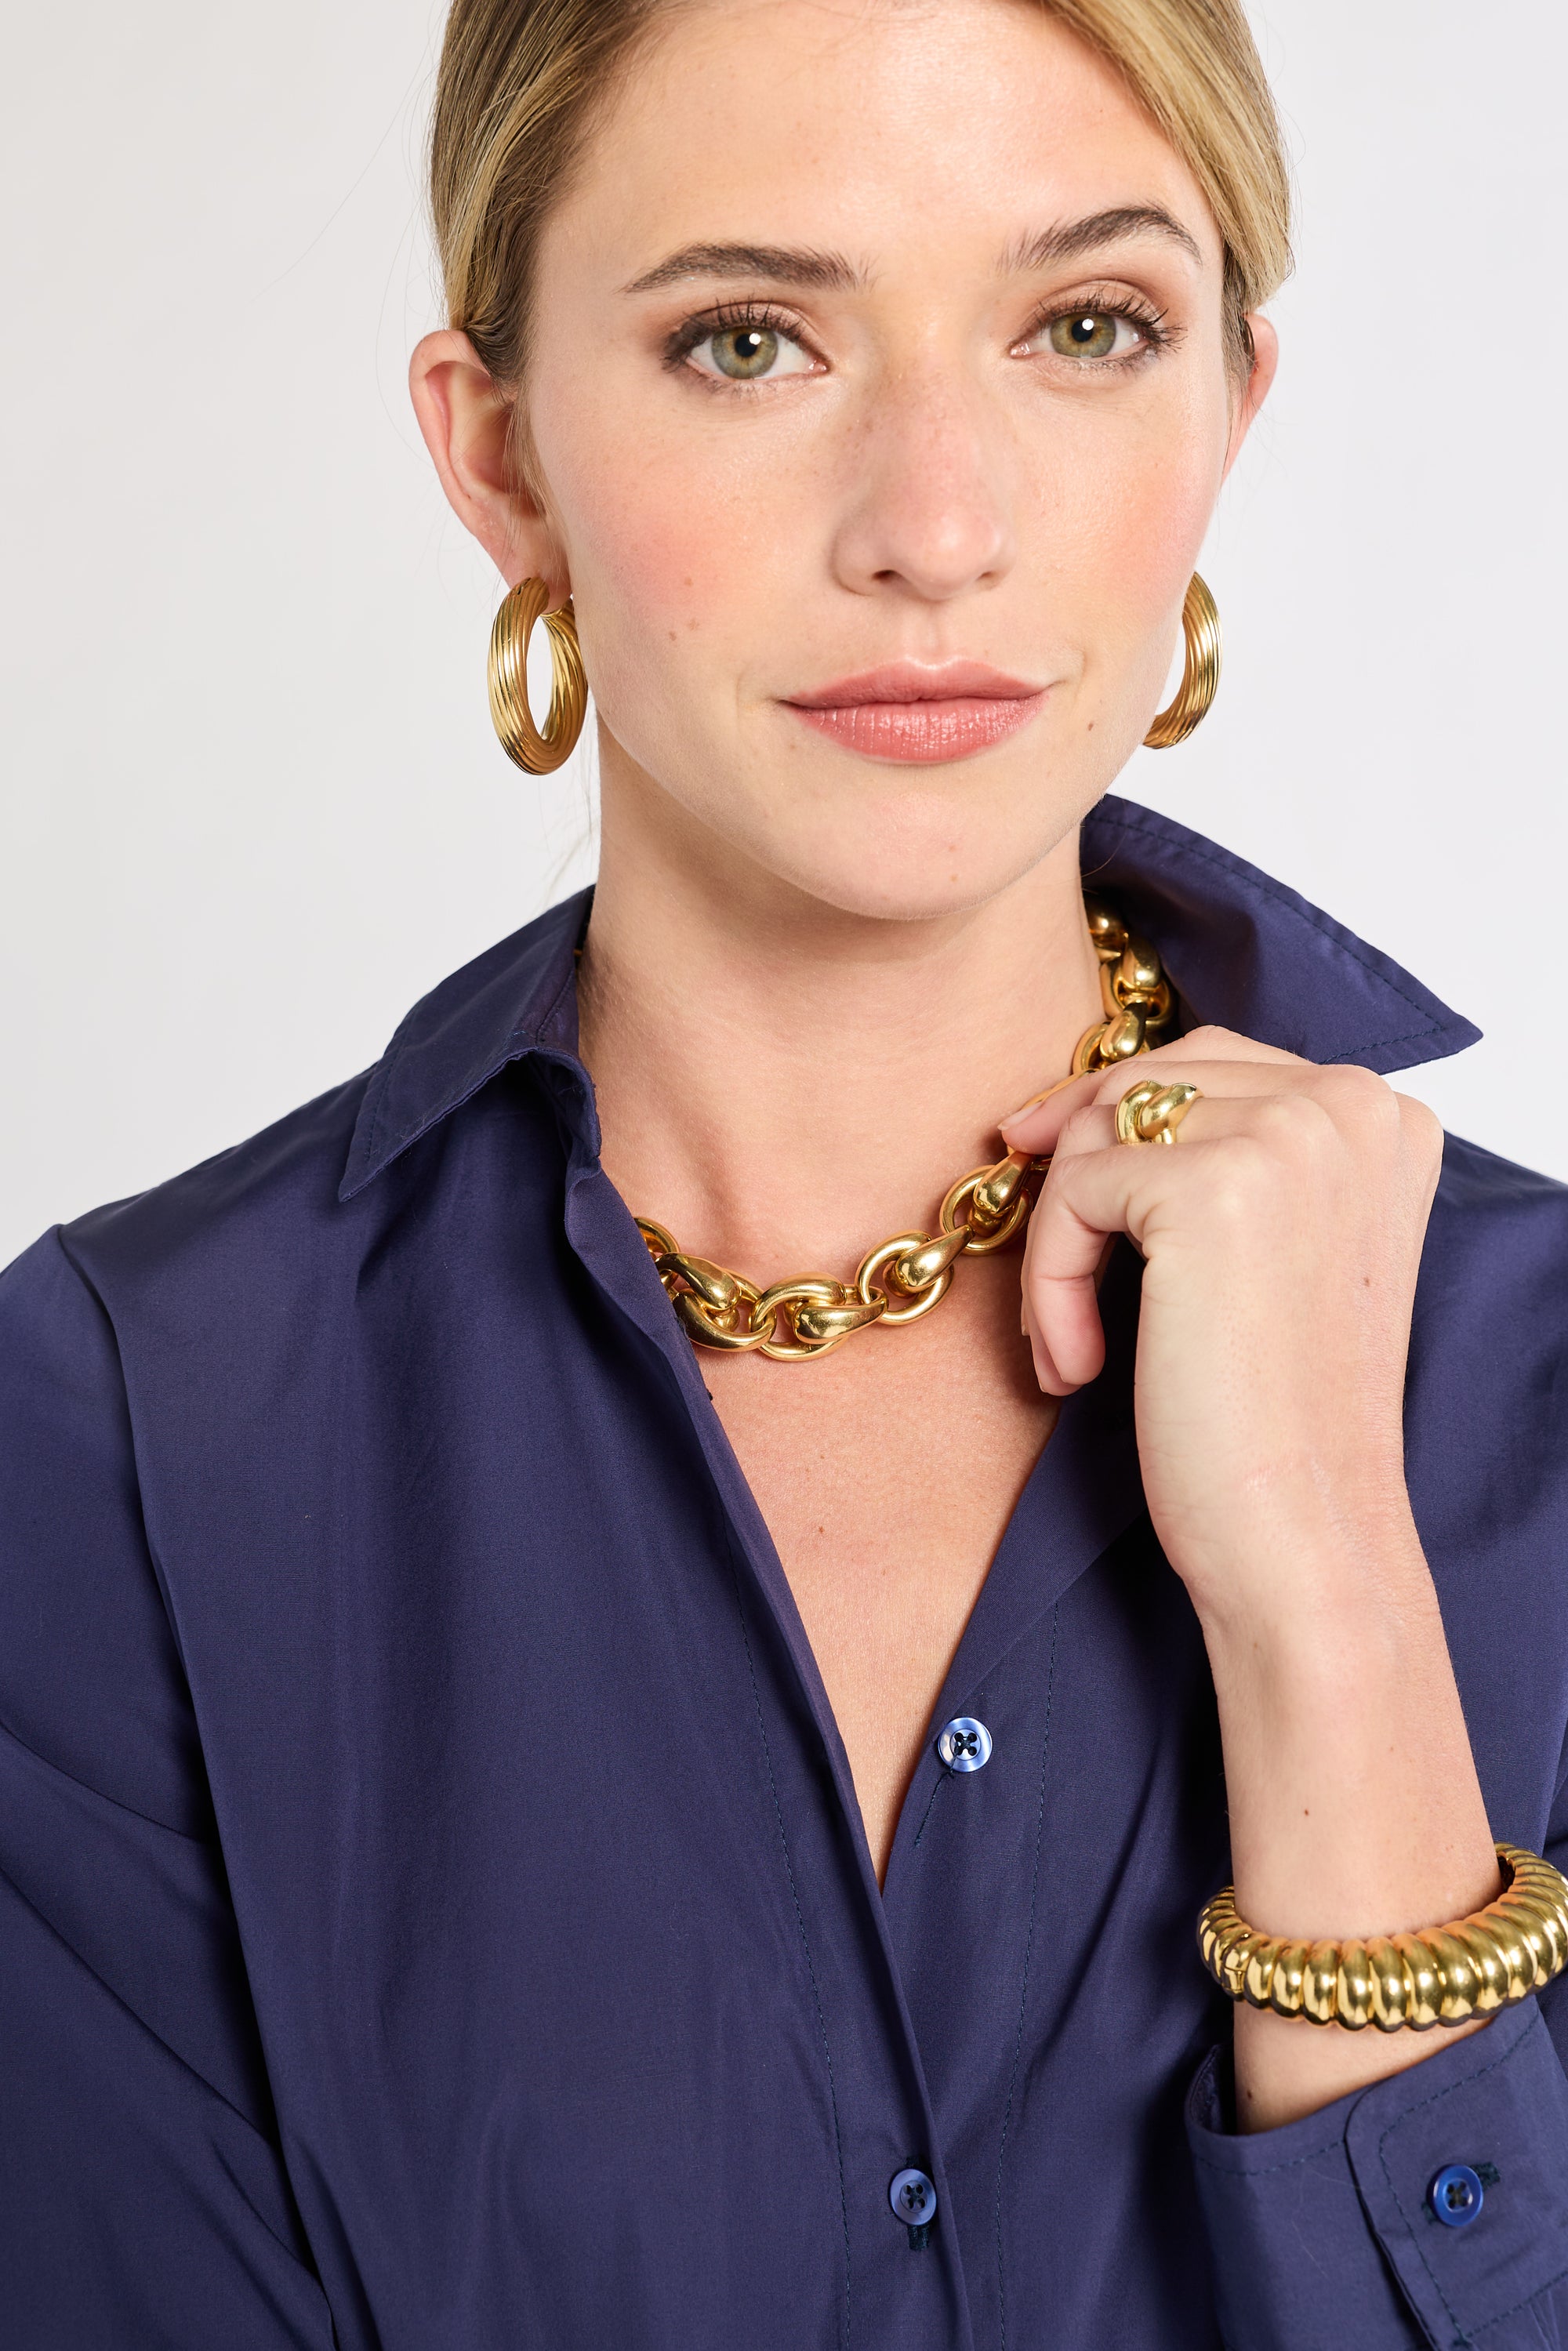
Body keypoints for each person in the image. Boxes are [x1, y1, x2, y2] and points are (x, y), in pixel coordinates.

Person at [3, 0, 1567, 2342]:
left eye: (1085, 326)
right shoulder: (127, 1436)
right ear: (502, 455)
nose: (936, 525)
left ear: (1231, 407)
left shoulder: (1542, 1383)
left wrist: (1338, 1615)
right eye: (750, 339)